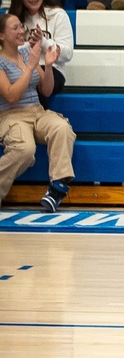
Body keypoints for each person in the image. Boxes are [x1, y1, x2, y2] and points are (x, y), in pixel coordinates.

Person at [0, 11, 75, 212]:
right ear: (1, 35)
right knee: (24, 150)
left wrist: (48, 66)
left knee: (61, 127)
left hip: (37, 111)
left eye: (21, 26)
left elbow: (46, 90)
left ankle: (56, 190)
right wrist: (32, 65)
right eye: (15, 27)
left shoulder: (26, 53)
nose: (21, 30)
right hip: (11, 115)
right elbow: (11, 96)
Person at [10, 0, 73, 103]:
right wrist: (29, 45)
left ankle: (35, 119)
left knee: (32, 79)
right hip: (18, 67)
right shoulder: (11, 18)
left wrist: (43, 42)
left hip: (51, 69)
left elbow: (67, 54)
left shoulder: (58, 15)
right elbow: (6, 50)